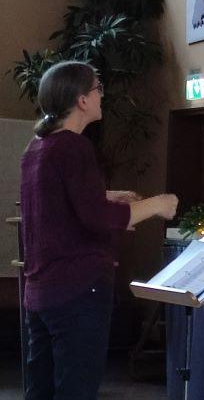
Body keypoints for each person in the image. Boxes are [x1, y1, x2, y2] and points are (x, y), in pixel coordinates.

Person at [20, 60, 179, 399]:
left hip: (41, 293)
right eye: (97, 89)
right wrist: (157, 205)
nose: (101, 96)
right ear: (81, 100)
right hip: (77, 291)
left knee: (41, 390)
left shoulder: (37, 147)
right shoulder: (74, 146)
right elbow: (94, 216)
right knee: (76, 390)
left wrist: (106, 195)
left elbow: (55, 200)